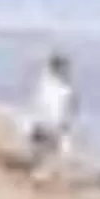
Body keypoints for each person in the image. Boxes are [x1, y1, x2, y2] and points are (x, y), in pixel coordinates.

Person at [21, 53, 79, 186]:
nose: (66, 70)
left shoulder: (48, 84)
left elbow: (68, 107)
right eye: (63, 67)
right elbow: (69, 107)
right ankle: (44, 175)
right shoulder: (60, 87)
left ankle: (45, 174)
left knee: (53, 151)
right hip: (48, 125)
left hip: (45, 125)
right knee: (54, 150)